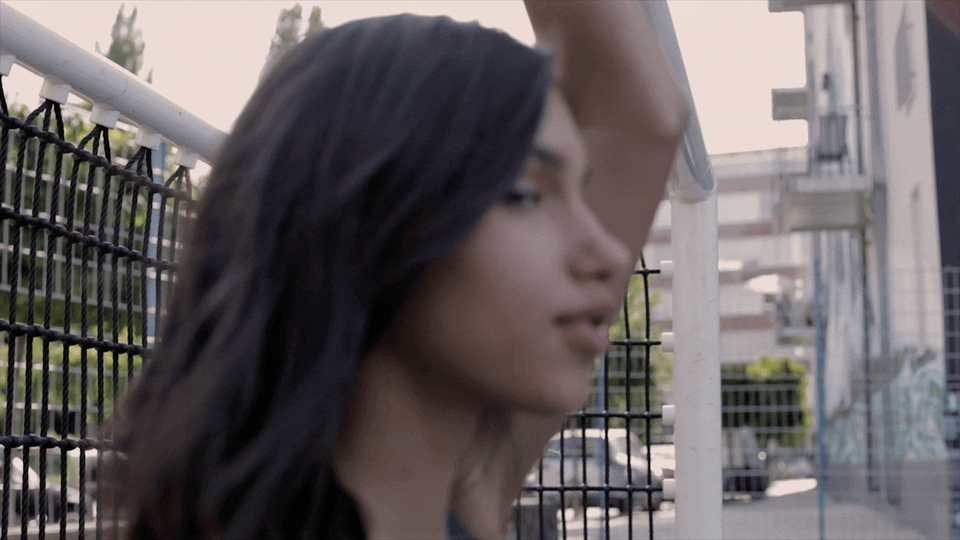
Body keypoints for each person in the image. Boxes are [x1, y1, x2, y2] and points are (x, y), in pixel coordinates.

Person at [109, 2, 687, 539]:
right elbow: (638, 115)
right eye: (526, 196)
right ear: (366, 217)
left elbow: (646, 118)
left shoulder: (450, 491)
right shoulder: (463, 495)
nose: (610, 256)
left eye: (583, 194)